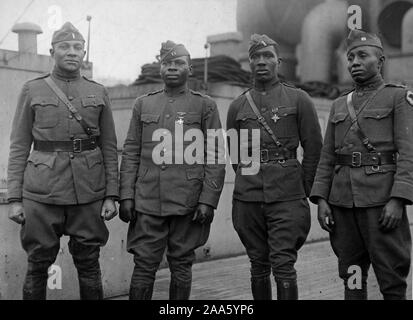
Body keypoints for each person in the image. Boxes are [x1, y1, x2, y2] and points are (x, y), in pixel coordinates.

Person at [7, 22, 119, 300]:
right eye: (64, 47)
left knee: (89, 263)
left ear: (84, 53)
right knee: (37, 264)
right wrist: (15, 199)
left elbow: (109, 147)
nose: (72, 52)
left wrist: (111, 195)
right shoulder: (32, 90)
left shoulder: (99, 91)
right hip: (42, 191)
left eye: (77, 47)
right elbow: (19, 146)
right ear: (52, 51)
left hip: (89, 190)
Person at [310, 29, 413, 300]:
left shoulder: (398, 97)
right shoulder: (338, 105)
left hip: (381, 203)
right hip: (343, 205)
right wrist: (321, 199)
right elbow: (327, 157)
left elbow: (409, 153)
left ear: (380, 61)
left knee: (391, 279)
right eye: (351, 56)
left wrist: (398, 200)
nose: (354, 61)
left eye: (362, 55)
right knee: (352, 276)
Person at [119, 40, 225, 300]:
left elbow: (216, 155)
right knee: (144, 264)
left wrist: (207, 200)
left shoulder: (205, 105)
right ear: (160, 68)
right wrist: (127, 196)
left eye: (179, 63)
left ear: (190, 68)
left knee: (181, 263)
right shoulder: (143, 104)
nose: (172, 68)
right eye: (167, 63)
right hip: (147, 200)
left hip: (187, 201)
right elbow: (131, 151)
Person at [226, 34, 322, 300]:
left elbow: (314, 148)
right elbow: (235, 154)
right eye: (255, 57)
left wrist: (302, 187)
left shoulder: (299, 99)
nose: (261, 61)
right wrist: (248, 180)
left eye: (267, 56)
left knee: (283, 265)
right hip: (248, 197)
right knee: (258, 264)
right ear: (248, 63)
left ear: (278, 62)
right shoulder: (237, 106)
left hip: (288, 195)